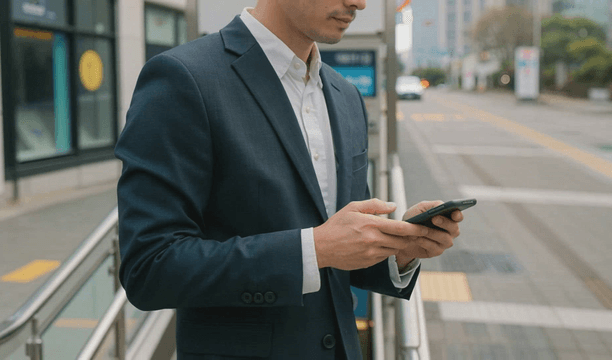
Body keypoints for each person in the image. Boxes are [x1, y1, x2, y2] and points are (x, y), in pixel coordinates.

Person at [115, 0, 464, 359]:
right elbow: (150, 268)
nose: (359, 3)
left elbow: (339, 255)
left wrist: (399, 249)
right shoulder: (183, 78)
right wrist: (314, 250)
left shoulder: (346, 96)